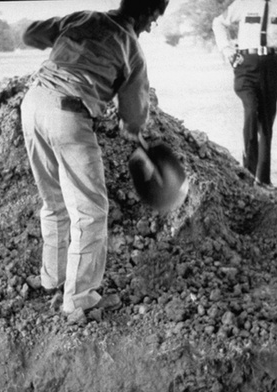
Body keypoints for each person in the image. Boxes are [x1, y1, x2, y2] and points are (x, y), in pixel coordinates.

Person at [20, 0, 167, 320]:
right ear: (144, 13)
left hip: (32, 105)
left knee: (53, 200)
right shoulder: (130, 48)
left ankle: (52, 279)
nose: (151, 26)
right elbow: (133, 117)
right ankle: (80, 300)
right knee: (91, 211)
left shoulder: (82, 18)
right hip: (69, 116)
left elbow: (30, 35)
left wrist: (68, 36)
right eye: (154, 18)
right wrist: (130, 126)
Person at [212, 0, 277, 190]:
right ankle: (248, 174)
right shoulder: (243, 3)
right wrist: (227, 49)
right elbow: (218, 23)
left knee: (266, 122)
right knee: (251, 110)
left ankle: (263, 178)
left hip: (271, 66)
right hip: (246, 64)